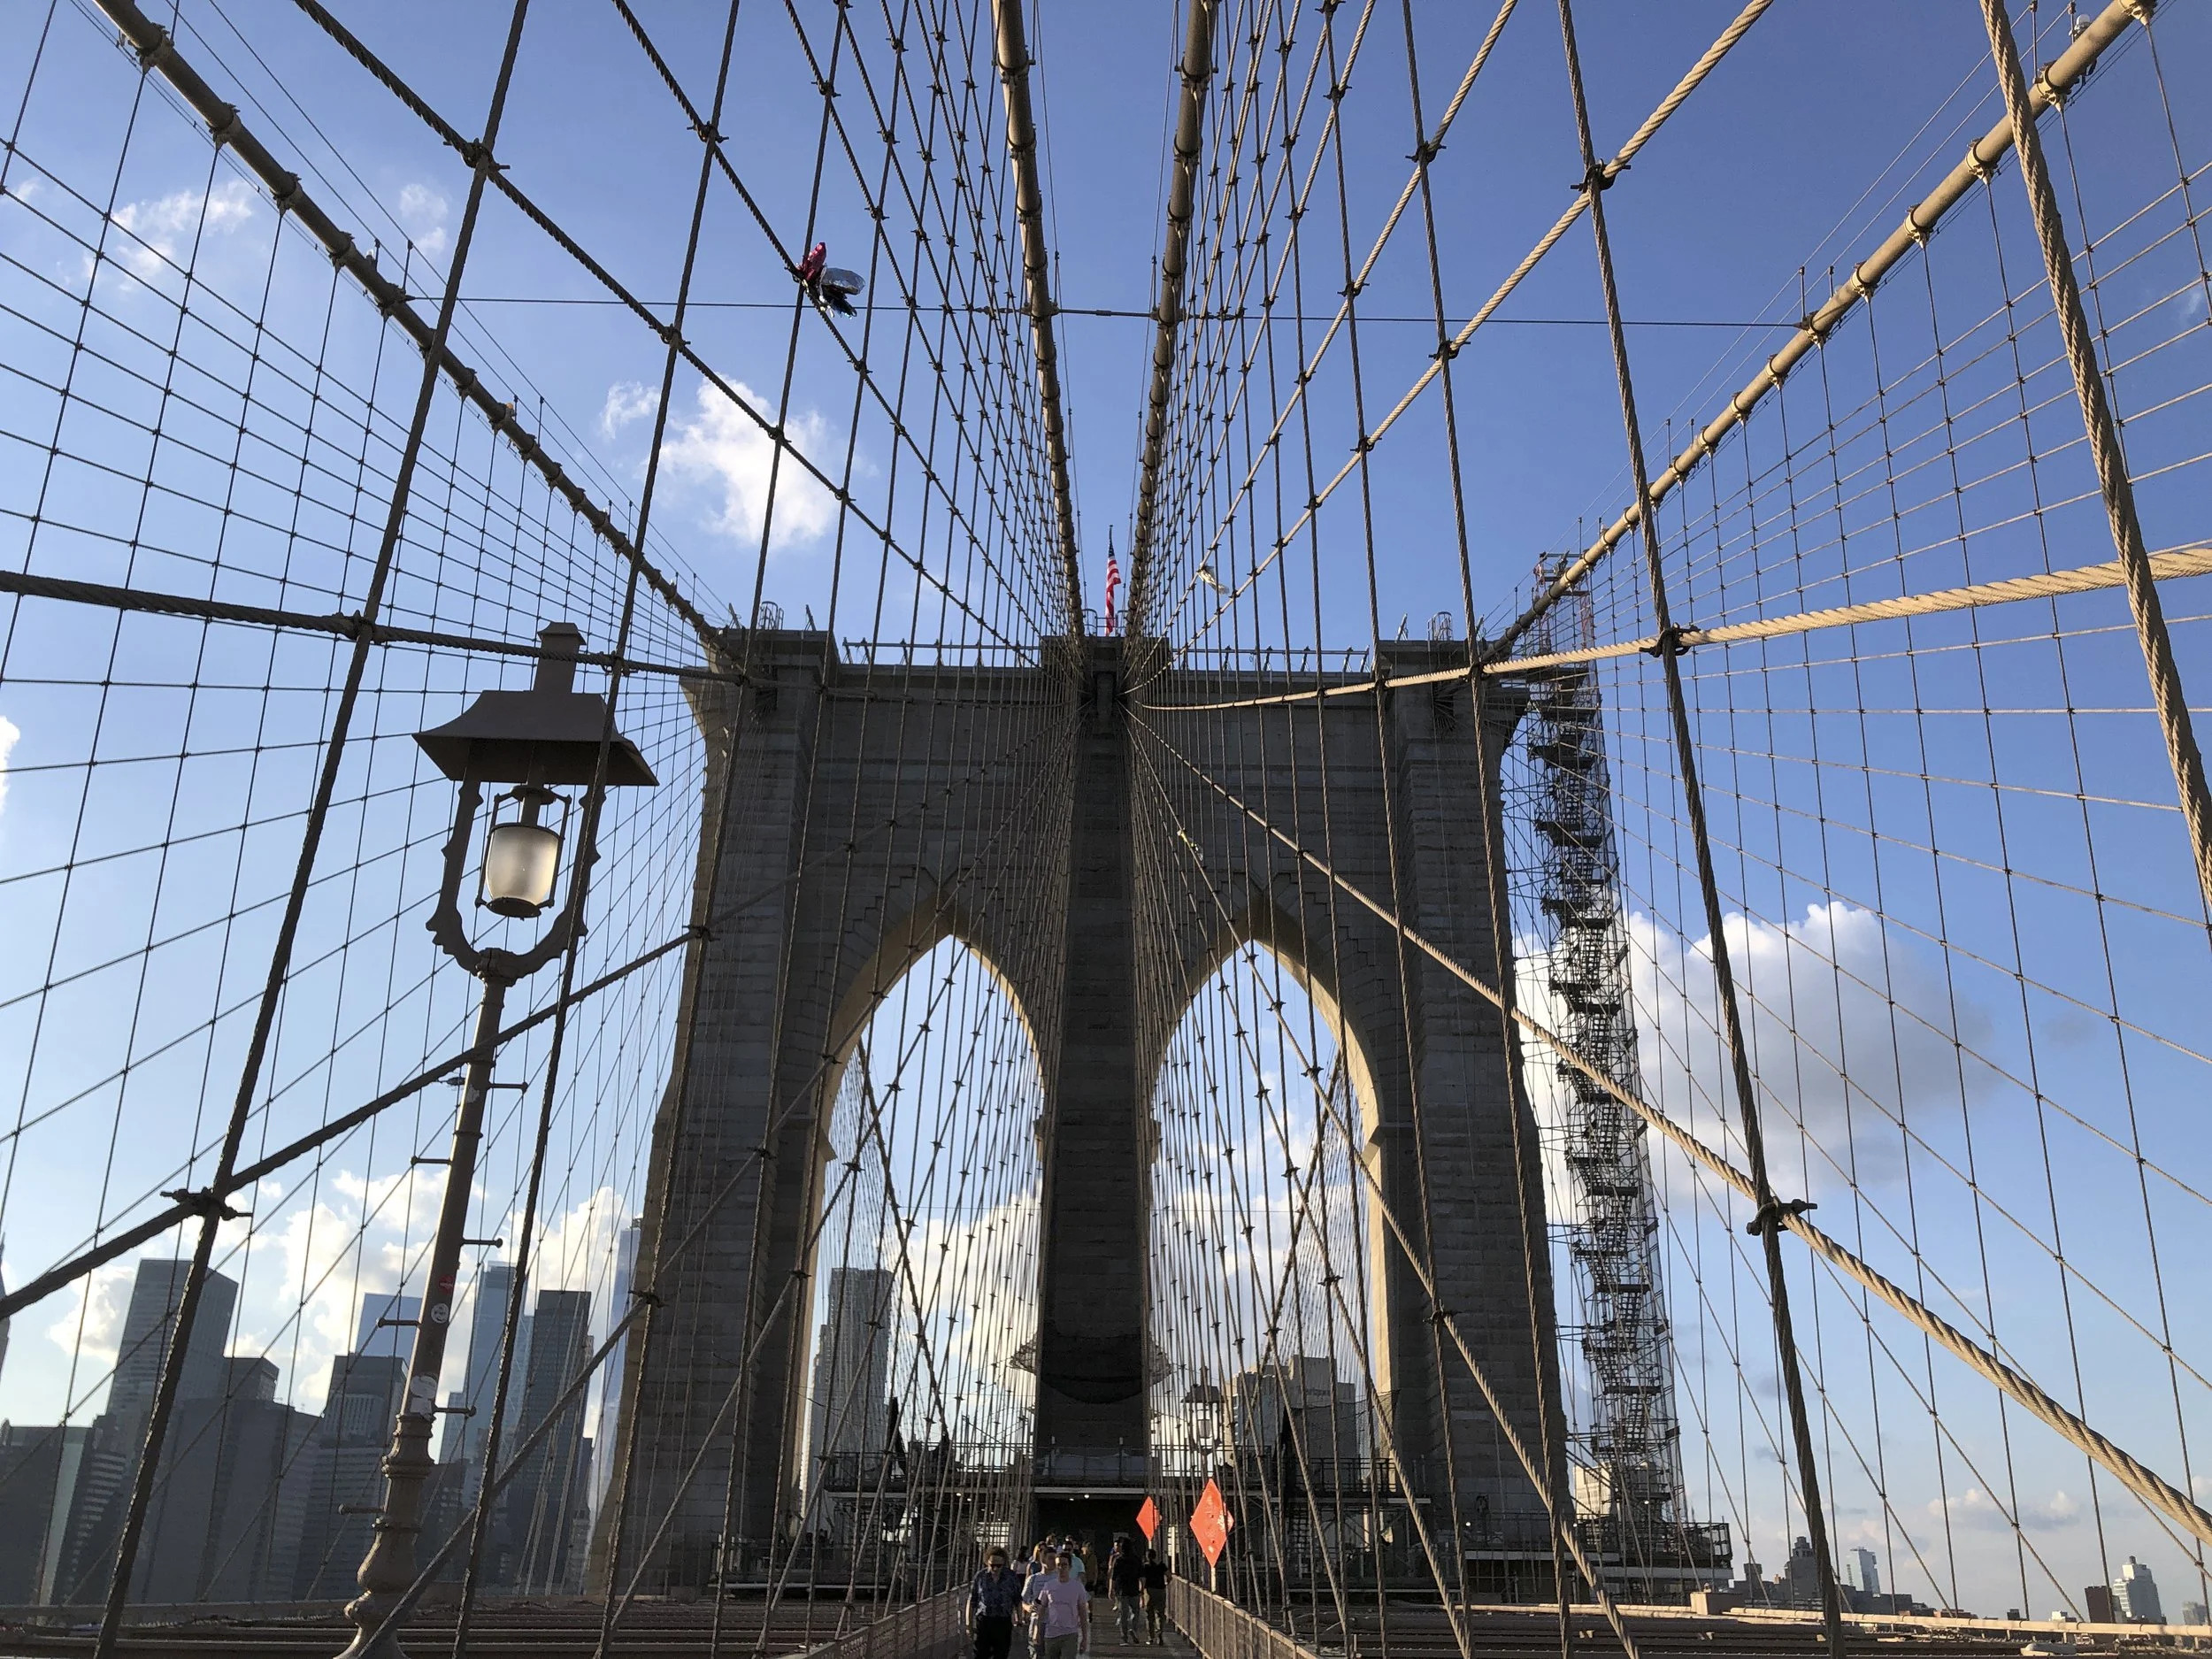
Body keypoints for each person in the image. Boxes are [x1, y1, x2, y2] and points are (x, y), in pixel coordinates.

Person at [1026, 1548, 1091, 1659]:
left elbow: (1083, 1613)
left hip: (1070, 1634)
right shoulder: (1049, 1586)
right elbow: (1041, 1609)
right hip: (1051, 1634)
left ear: (1070, 1567)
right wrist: (1037, 1630)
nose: (1061, 1568)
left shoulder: (1077, 1587)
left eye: (1064, 1565)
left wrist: (1085, 1639)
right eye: (1059, 1565)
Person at [969, 1545, 1025, 1659]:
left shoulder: (1011, 1577)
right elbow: (972, 1601)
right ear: (987, 1562)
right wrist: (968, 1624)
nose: (995, 1569)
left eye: (999, 1566)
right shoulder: (980, 1577)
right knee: (980, 1655)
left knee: (1001, 1654)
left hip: (1003, 1622)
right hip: (984, 1621)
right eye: (992, 1565)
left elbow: (1017, 1600)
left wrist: (1019, 1620)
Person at [1108, 1538, 1143, 1644]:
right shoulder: (1137, 1559)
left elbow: (1113, 1577)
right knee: (1135, 1612)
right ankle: (1134, 1629)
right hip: (1134, 1589)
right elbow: (1142, 1576)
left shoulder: (1119, 1560)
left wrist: (1111, 1589)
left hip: (1121, 1590)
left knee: (1123, 1614)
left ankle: (1124, 1637)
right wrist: (1142, 1589)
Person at [1141, 1548, 1170, 1646]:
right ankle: (1160, 1633)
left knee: (1149, 1615)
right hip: (1161, 1590)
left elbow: (1143, 1580)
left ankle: (1151, 1637)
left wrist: (1141, 1592)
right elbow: (1169, 1576)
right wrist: (1166, 1583)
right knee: (1160, 1614)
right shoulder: (1161, 1565)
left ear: (1147, 1557)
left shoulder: (1145, 1566)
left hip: (1149, 1591)